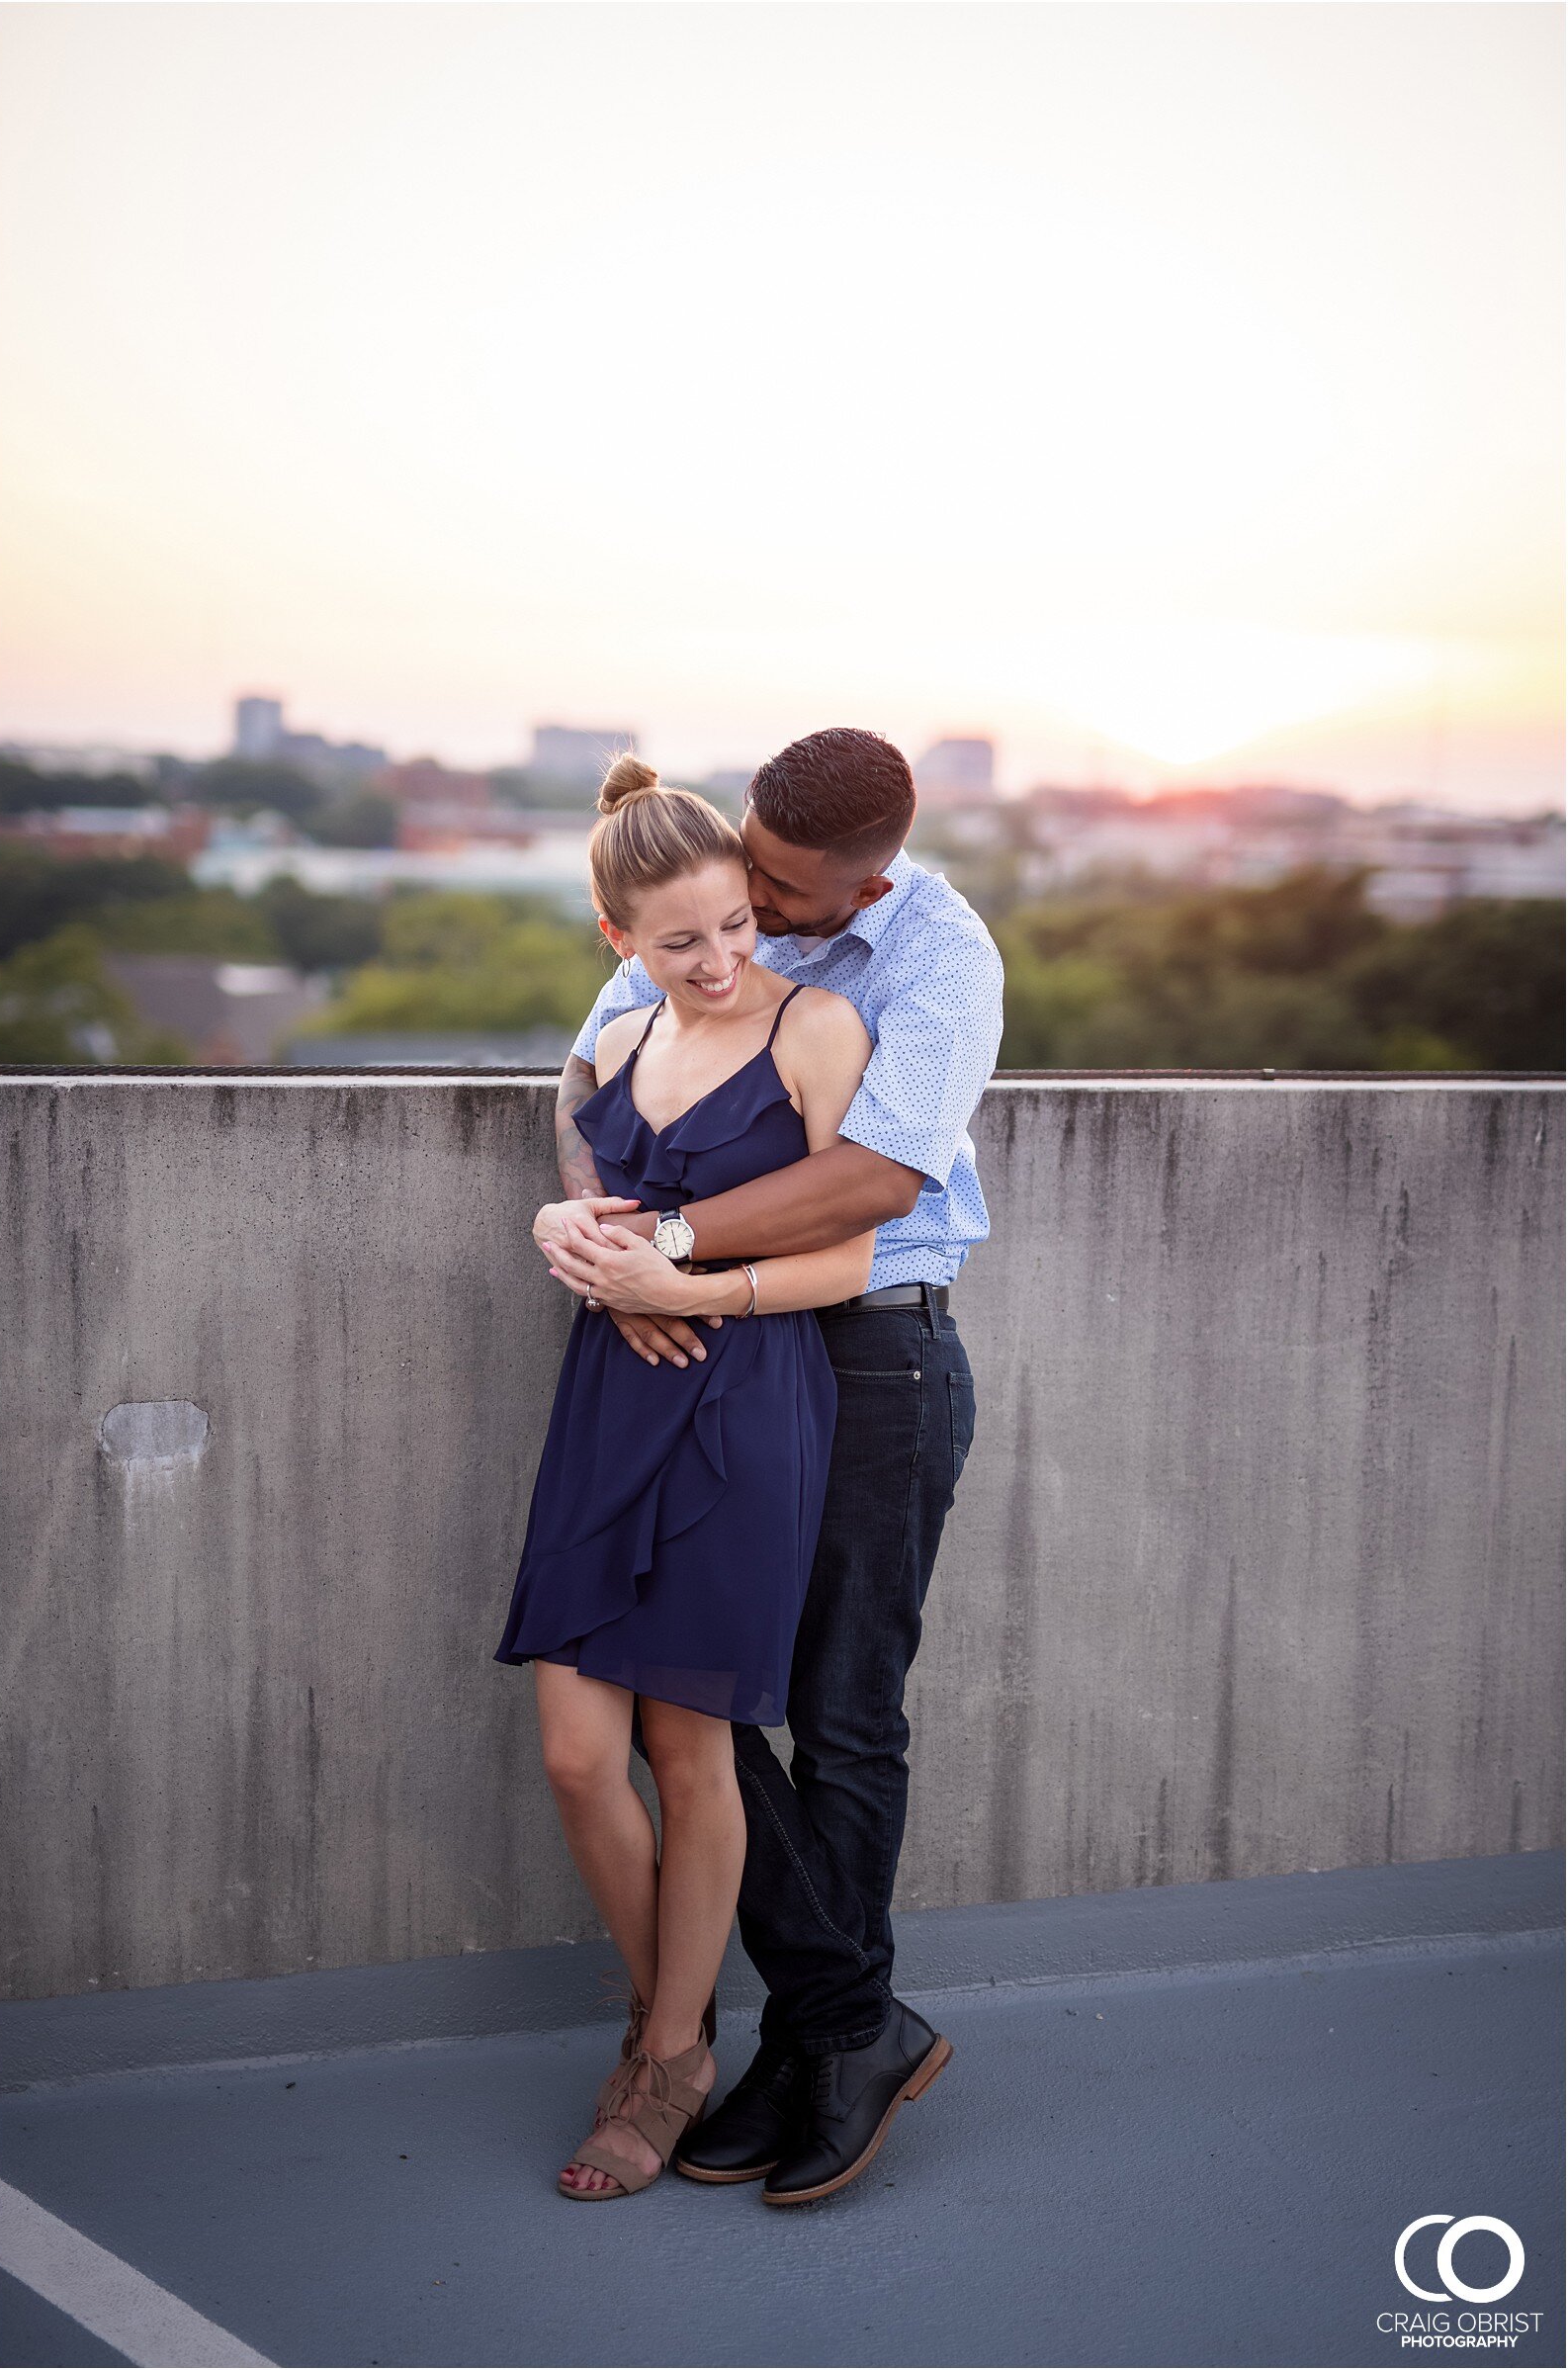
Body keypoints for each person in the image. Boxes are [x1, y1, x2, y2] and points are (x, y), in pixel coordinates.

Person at [543, 725, 1003, 2205]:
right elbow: (600, 1078)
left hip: (870, 1345)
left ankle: (831, 2034)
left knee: (844, 1713)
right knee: (703, 1705)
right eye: (750, 865)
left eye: (785, 897)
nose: (754, 910)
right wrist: (585, 1220)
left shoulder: (939, 954)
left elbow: (878, 1175)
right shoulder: (716, 901)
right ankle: (838, 2025)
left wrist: (668, 1251)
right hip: (713, 1354)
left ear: (867, 878)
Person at [493, 750, 888, 2200]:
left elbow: (851, 1250)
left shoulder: (817, 1025)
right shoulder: (612, 1047)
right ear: (620, 944)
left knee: (688, 1749)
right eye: (680, 941)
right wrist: (580, 1238)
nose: (721, 958)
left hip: (747, 1401)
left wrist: (698, 1288)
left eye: (736, 924)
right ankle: (673, 2016)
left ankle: (667, 2054)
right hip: (606, 1399)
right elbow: (586, 1198)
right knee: (576, 1753)